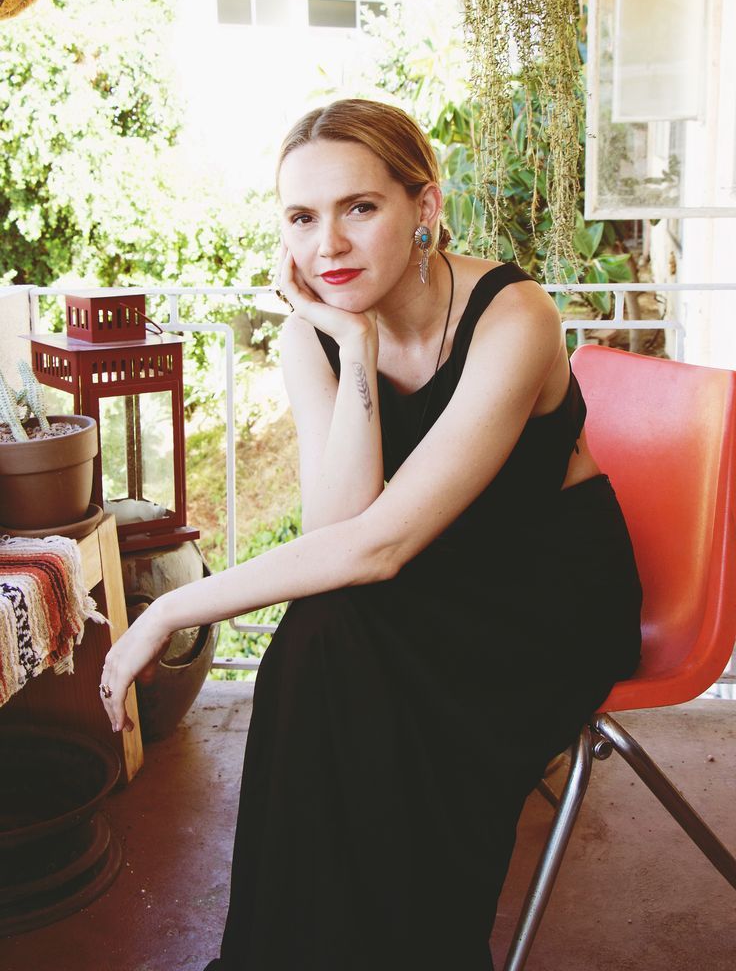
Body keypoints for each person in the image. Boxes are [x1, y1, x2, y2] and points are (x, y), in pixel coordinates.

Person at [98, 98, 642, 970]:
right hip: (428, 576)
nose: (329, 246)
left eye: (359, 207)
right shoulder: (312, 338)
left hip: (545, 596)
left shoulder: (513, 316)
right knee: (321, 634)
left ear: (424, 206)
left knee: (350, 662)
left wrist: (167, 610)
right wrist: (353, 346)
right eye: (302, 218)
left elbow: (376, 549)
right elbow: (341, 532)